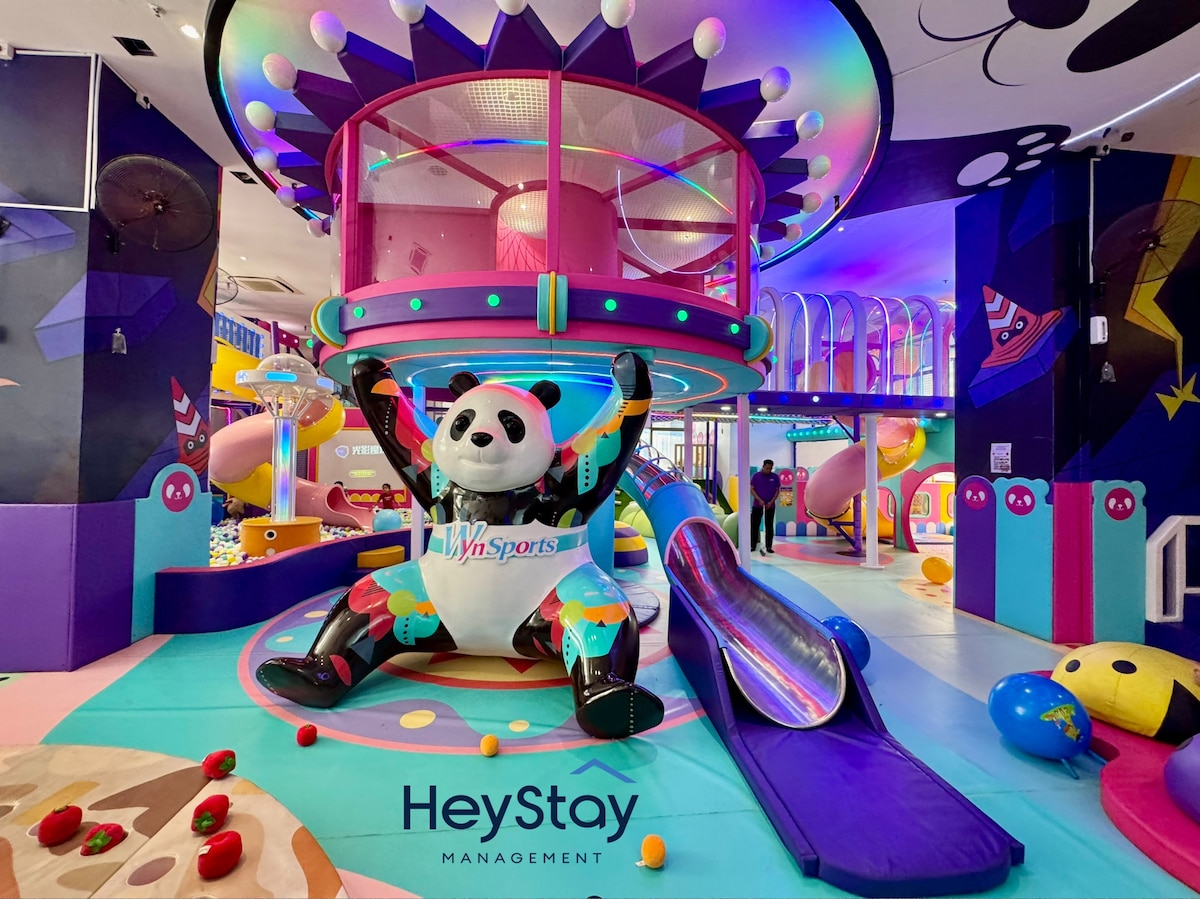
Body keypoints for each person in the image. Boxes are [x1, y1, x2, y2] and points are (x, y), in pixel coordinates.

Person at [750, 459, 782, 556]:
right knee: (755, 525)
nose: (769, 470)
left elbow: (777, 490)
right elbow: (751, 489)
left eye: (770, 468)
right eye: (767, 468)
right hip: (757, 504)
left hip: (770, 505)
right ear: (763, 466)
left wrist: (772, 501)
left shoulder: (775, 477)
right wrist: (759, 500)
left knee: (769, 525)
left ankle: (769, 546)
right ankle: (753, 545)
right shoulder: (756, 476)